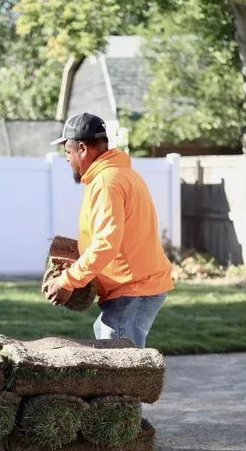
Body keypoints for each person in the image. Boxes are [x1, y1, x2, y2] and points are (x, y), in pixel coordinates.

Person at [43, 112, 174, 348]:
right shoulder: (119, 175)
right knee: (112, 352)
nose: (67, 159)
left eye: (67, 152)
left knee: (120, 366)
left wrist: (67, 280)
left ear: (82, 148)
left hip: (134, 289)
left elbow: (106, 245)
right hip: (134, 287)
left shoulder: (107, 182)